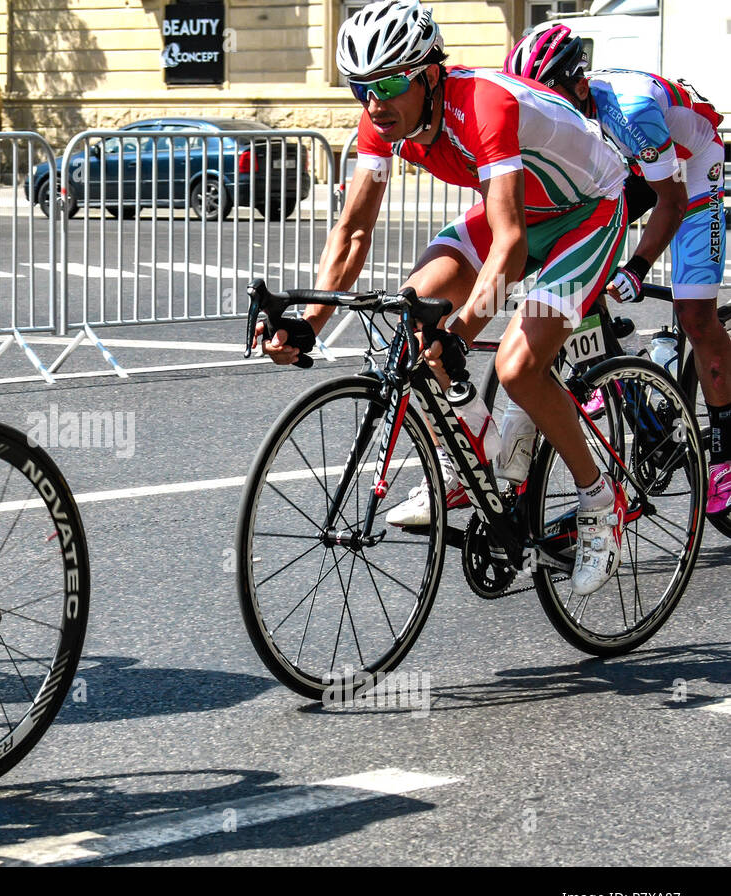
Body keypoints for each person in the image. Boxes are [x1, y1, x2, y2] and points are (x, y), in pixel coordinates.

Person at [254, 0, 631, 596]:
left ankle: (598, 501)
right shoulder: (380, 122)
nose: (376, 103)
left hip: (588, 210)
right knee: (412, 314)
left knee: (516, 366)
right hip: (521, 211)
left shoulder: (484, 106)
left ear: (430, 74)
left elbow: (507, 246)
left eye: (393, 83)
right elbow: (353, 231)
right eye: (362, 87)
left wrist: (462, 331)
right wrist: (310, 322)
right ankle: (468, 460)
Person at [505, 22, 731, 514]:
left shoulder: (630, 109)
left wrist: (636, 267)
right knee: (576, 263)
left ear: (579, 87)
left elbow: (669, 200)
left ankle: (724, 453)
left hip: (690, 170)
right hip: (629, 167)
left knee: (695, 313)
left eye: (550, 98)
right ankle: (612, 367)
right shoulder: (558, 123)